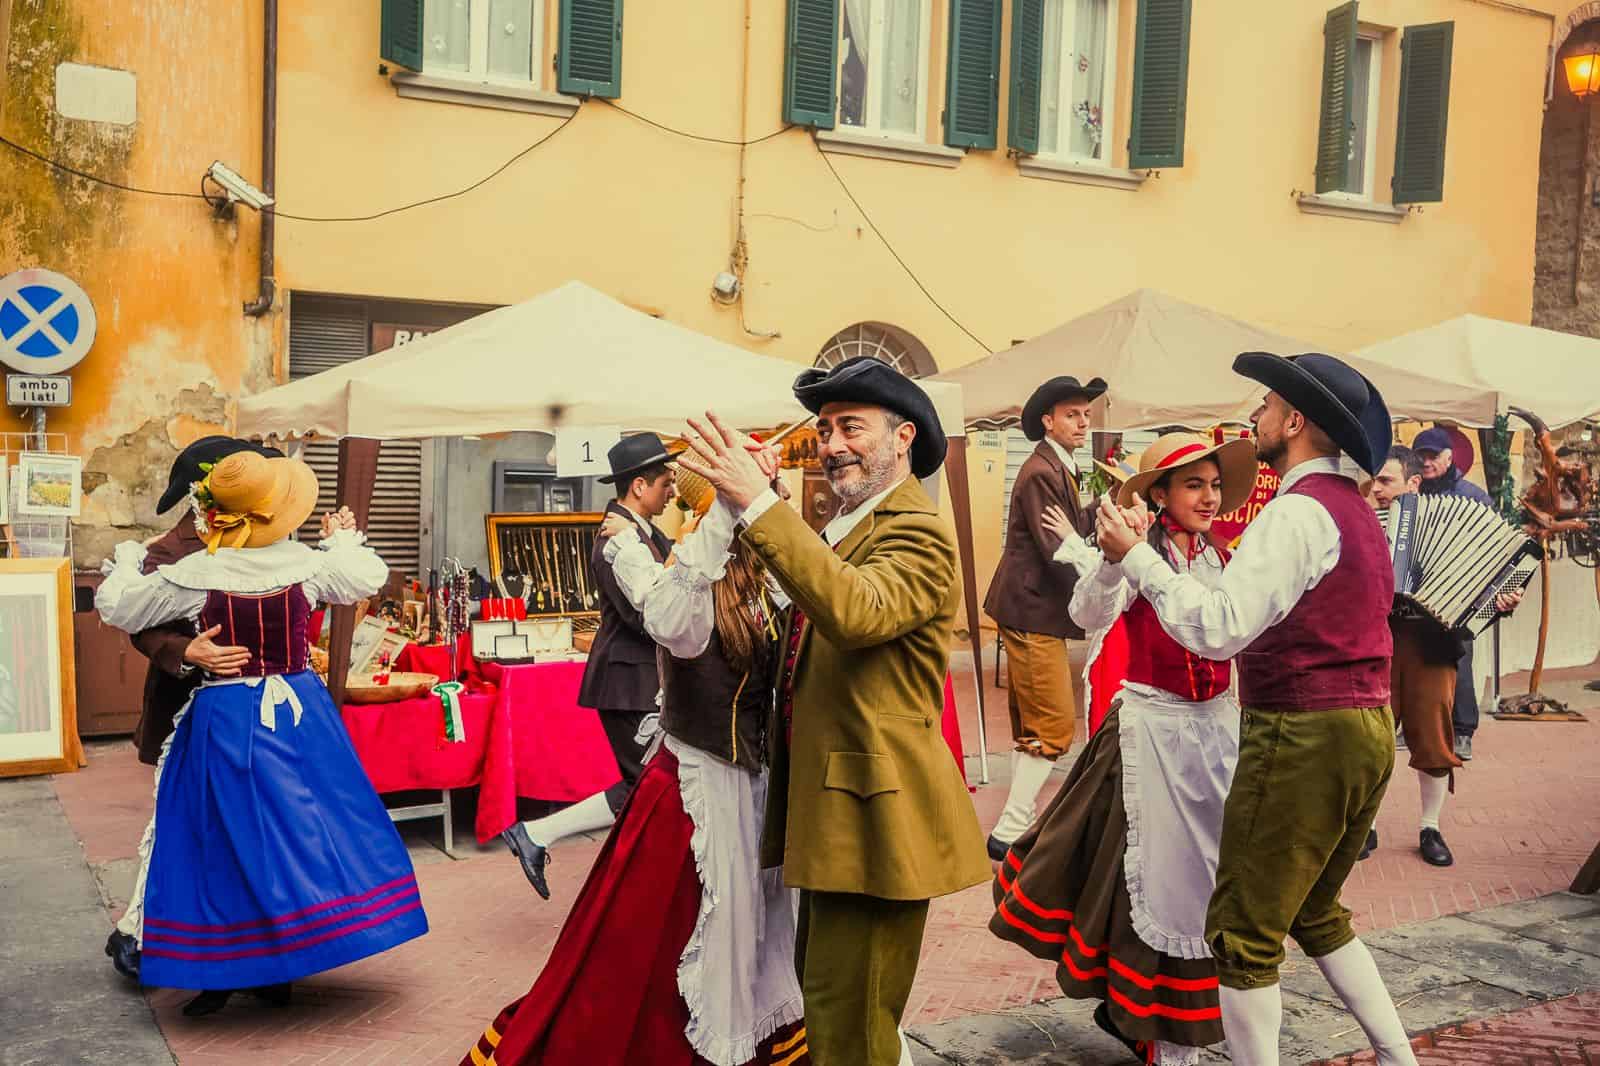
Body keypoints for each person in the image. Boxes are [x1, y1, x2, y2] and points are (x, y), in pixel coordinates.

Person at [1093, 353, 1417, 1065]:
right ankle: (1400, 1058)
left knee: (1242, 935)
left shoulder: (1296, 512)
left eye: (1267, 405)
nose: (1257, 415)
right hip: (1367, 726)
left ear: (1294, 421)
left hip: (1305, 730)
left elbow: (1219, 628)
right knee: (1317, 911)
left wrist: (1138, 558)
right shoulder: (1358, 511)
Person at [677, 358, 990, 1066]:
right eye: (824, 430)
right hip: (836, 811)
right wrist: (756, 504)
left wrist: (761, 505)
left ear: (904, 438)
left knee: (851, 1023)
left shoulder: (918, 530)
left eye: (852, 427)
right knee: (832, 1001)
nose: (833, 444)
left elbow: (855, 610)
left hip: (875, 815)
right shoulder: (847, 526)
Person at [462, 473, 807, 1066]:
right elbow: (667, 619)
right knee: (648, 954)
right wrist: (727, 512)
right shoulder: (689, 586)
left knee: (744, 939)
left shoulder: (763, 581)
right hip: (695, 799)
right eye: (761, 493)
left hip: (747, 790)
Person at [95, 451, 427, 1015]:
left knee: (220, 839)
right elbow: (366, 576)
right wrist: (340, 540)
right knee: (302, 830)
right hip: (297, 714)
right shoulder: (306, 566)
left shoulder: (195, 575)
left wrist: (128, 561)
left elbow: (120, 607)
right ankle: (278, 963)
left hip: (225, 715)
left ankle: (232, 968)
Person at [991, 432, 1257, 1066]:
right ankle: (1154, 1026)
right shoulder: (1143, 555)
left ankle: (1153, 1016)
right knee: (1151, 881)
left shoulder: (1222, 557)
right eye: (1193, 485)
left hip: (1213, 737)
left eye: (1214, 485)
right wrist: (1115, 560)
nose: (1209, 497)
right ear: (1159, 495)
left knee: (1204, 880)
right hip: (1150, 737)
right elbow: (1089, 613)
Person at [104, 436, 284, 983]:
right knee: (179, 824)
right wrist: (187, 651)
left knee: (243, 826)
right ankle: (140, 932)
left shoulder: (260, 536)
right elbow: (140, 625)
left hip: (248, 713)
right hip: (187, 707)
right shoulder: (166, 551)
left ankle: (247, 943)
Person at [501, 433, 678, 899]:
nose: (673, 491)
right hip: (628, 680)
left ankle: (543, 838)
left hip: (639, 679)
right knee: (650, 786)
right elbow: (648, 617)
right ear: (639, 486)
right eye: (666, 482)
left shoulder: (642, 532)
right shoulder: (615, 538)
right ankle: (546, 840)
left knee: (652, 785)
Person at [1365, 444, 1520, 868]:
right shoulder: (1364, 522)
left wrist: (1501, 599)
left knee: (1434, 741)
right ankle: (1366, 825)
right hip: (1377, 644)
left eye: (1386, 481)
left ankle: (1430, 827)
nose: (1376, 489)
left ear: (1413, 483)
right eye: (1374, 480)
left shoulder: (1454, 518)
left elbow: (1491, 574)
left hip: (1432, 645)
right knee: (1372, 741)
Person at [983, 375, 1107, 862]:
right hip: (1032, 608)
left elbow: (1069, 526)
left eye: (1086, 414)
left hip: (1032, 608)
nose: (1083, 422)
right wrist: (1109, 574)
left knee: (1034, 725)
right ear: (1048, 421)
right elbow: (1057, 547)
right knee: (1053, 725)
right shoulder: (1041, 471)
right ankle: (1011, 829)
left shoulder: (1059, 466)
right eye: (1072, 415)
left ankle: (1015, 823)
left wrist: (1104, 509)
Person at [1412, 426, 1493, 762]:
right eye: (1421, 456)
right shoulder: (1411, 495)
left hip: (1460, 591)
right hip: (1417, 589)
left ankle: (1462, 731)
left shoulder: (1473, 497)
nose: (1426, 462)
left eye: (1433, 456)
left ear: (1449, 458)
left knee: (1459, 660)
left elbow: (1493, 548)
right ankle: (1416, 724)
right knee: (1415, 658)